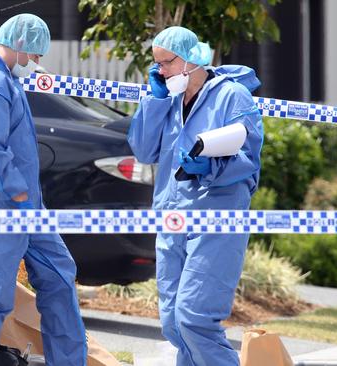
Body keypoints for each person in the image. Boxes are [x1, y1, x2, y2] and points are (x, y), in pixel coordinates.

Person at [0, 15, 87, 366]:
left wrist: (26, 203)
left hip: (25, 211)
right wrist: (19, 194)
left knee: (59, 277)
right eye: (35, 56)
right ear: (21, 46)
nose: (36, 64)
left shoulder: (3, 80)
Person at [127, 26, 264, 366]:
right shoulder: (168, 98)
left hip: (216, 218)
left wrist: (209, 166)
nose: (160, 70)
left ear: (190, 60)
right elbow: (144, 150)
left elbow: (248, 159)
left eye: (166, 63)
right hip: (171, 217)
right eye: (156, 63)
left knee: (195, 320)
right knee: (174, 324)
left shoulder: (232, 96)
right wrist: (155, 100)